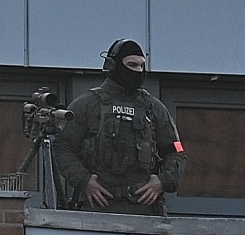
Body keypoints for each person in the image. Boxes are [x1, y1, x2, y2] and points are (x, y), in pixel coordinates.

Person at [54, 38, 186, 215]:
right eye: (132, 65)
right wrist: (83, 181)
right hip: (96, 207)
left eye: (142, 65)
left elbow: (176, 150)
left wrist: (163, 182)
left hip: (144, 208)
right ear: (113, 65)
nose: (138, 70)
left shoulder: (154, 108)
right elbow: (63, 146)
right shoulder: (87, 104)